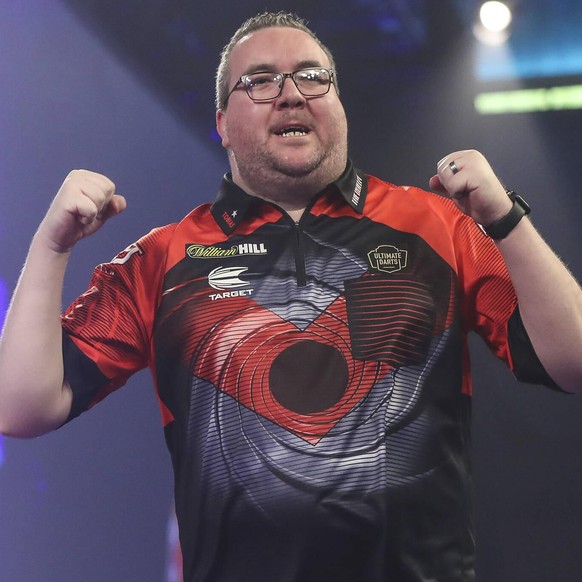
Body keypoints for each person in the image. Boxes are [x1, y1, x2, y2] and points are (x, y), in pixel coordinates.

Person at [1, 10, 582, 582]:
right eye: (258, 81)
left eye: (312, 75)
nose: (290, 94)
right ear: (222, 122)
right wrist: (51, 244)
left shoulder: (438, 224)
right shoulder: (163, 257)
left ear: (338, 105)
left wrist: (505, 218)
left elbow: (575, 360)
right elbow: (18, 407)